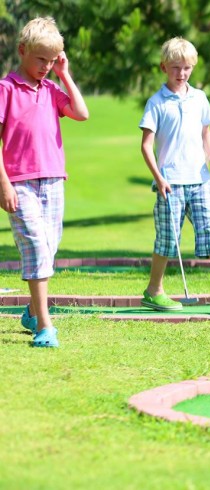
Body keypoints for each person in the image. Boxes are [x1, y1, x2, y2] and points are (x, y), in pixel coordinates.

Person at [139, 37, 210, 314]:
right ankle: (154, 291)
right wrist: (159, 178)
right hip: (170, 183)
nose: (182, 73)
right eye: (176, 67)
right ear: (164, 67)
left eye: (187, 68)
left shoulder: (199, 98)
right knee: (168, 239)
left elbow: (205, 134)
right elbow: (146, 146)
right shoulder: (156, 102)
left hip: (200, 180)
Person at [0, 17, 89, 348]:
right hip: (19, 183)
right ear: (22, 51)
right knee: (37, 246)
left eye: (53, 61)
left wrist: (65, 74)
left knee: (48, 249)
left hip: (53, 180)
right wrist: (3, 185)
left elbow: (82, 113)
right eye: (41, 60)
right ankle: (44, 326)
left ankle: (32, 310)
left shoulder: (52, 89)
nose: (47, 67)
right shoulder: (5, 90)